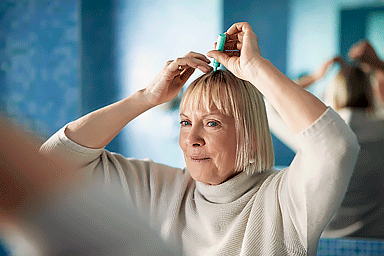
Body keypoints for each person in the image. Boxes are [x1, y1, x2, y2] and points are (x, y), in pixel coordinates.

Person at [39, 22, 359, 255]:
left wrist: (255, 69)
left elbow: (335, 147)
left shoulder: (286, 201)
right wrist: (146, 98)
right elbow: (52, 165)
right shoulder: (161, 191)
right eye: (185, 121)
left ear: (247, 131)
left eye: (212, 123)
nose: (192, 138)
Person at [267, 46, 384, 239]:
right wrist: (379, 67)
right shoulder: (381, 130)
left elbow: (271, 105)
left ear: (332, 93)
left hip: (322, 240)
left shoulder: (318, 134)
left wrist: (316, 76)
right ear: (371, 94)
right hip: (375, 240)